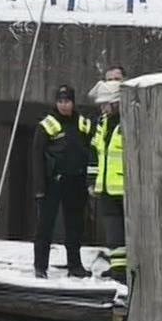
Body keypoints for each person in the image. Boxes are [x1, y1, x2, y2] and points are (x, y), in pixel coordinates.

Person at [34, 83, 94, 279]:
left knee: (75, 225)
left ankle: (75, 265)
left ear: (73, 102)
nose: (64, 105)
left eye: (67, 101)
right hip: (53, 182)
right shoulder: (47, 125)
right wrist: (39, 188)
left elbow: (92, 150)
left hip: (76, 181)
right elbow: (37, 158)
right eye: (60, 101)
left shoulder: (83, 124)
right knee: (45, 225)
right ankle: (40, 266)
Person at [90, 80, 126, 279]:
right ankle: (119, 273)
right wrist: (92, 180)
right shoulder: (102, 123)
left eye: (106, 104)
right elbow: (95, 151)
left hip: (126, 190)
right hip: (106, 188)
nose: (103, 107)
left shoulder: (131, 122)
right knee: (114, 237)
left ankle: (127, 274)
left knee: (129, 236)